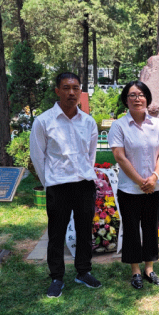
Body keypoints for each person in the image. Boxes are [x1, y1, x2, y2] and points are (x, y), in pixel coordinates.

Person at [30, 72, 101, 298]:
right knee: (57, 234)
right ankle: (57, 277)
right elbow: (38, 157)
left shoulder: (88, 122)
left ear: (80, 92)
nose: (71, 92)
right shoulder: (44, 121)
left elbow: (91, 155)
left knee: (83, 231)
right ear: (57, 91)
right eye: (66, 88)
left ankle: (83, 271)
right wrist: (49, 182)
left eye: (75, 88)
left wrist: (84, 175)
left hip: (83, 185)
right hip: (58, 186)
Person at [108, 80, 159, 289]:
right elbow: (120, 156)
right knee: (132, 228)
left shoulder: (158, 124)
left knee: (150, 227)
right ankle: (135, 271)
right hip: (129, 189)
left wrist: (153, 177)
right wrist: (140, 181)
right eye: (132, 95)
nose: (137, 98)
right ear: (126, 100)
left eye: (141, 94)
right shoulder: (119, 126)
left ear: (147, 99)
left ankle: (149, 268)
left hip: (154, 187)